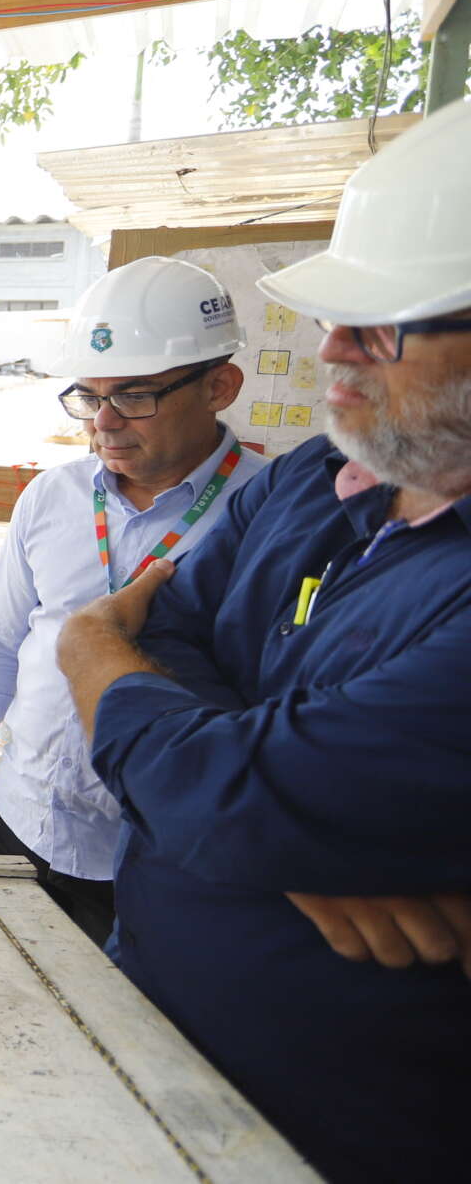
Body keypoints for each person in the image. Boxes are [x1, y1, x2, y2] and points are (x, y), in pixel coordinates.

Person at [58, 100, 471, 1181]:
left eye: (380, 326)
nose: (330, 348)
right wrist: (283, 814)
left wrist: (96, 654)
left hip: (345, 1126)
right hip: (150, 1031)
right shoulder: (309, 481)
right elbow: (190, 648)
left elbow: (215, 779)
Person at [0, 258, 262, 944]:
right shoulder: (54, 496)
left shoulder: (268, 512)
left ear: (219, 385)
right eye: (87, 395)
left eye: (134, 395)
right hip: (20, 817)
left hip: (162, 850)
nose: (104, 421)